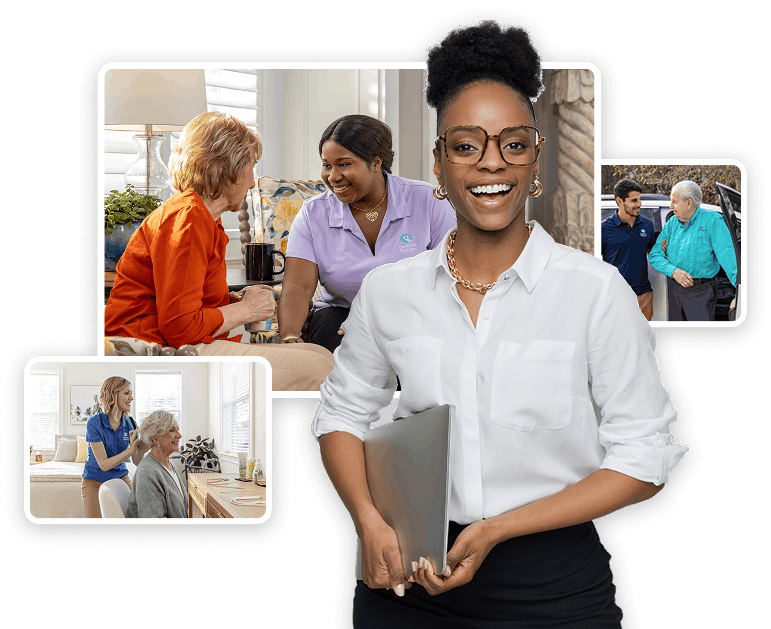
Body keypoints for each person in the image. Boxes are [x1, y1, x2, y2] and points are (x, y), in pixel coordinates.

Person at [312, 20, 689, 628]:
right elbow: (341, 414)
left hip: (552, 591)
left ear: (535, 158)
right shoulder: (389, 291)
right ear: (439, 165)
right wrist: (368, 519)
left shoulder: (595, 293)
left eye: (513, 144)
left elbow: (645, 458)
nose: (492, 163)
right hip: (406, 578)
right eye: (466, 146)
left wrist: (497, 529)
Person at [104, 111, 334, 390]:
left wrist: (235, 300)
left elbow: (185, 300)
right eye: (251, 167)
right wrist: (246, 310)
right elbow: (179, 327)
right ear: (228, 169)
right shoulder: (188, 220)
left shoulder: (204, 218)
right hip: (156, 351)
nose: (252, 182)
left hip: (176, 344)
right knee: (318, 370)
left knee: (321, 355)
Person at [278, 114, 456, 353]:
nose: (333, 177)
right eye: (327, 165)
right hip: (341, 314)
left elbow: (452, 276)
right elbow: (298, 285)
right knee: (340, 349)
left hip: (414, 314)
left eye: (344, 164)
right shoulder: (313, 214)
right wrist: (290, 337)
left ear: (376, 163)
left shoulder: (428, 201)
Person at [648, 179, 738, 321]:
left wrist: (740, 294)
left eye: (674, 201)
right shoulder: (672, 223)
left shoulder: (713, 221)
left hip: (701, 292)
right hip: (674, 289)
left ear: (689, 203)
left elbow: (729, 259)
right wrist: (674, 271)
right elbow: (654, 255)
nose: (671, 206)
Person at [81, 376, 147, 518]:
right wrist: (130, 450)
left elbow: (136, 461)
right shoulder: (94, 423)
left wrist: (144, 448)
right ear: (112, 394)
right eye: (127, 393)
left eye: (131, 393)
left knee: (134, 517)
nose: (131, 398)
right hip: (94, 481)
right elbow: (104, 465)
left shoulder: (130, 422)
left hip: (120, 477)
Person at [601, 179, 657, 320]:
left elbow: (653, 252)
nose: (639, 204)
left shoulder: (647, 225)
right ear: (619, 201)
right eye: (634, 200)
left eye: (640, 199)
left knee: (645, 333)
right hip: (616, 296)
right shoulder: (604, 229)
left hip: (643, 295)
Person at [125, 410, 188, 518]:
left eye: (178, 429)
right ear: (156, 438)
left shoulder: (170, 465)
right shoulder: (148, 472)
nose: (179, 435)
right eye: (172, 430)